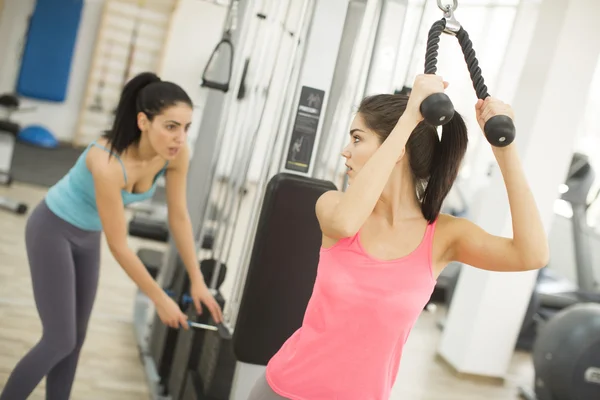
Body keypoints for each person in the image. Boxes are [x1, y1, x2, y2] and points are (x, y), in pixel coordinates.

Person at [247, 75, 549, 400]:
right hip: (284, 390)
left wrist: (504, 150)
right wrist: (408, 118)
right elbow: (348, 223)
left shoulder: (444, 235)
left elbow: (531, 255)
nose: (345, 152)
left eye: (357, 139)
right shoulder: (333, 204)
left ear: (397, 148)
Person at [0, 72, 223, 400]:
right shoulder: (107, 162)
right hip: (52, 229)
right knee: (59, 339)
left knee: (75, 339)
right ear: (143, 122)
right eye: (171, 126)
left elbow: (178, 216)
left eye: (186, 127)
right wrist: (159, 298)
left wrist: (196, 279)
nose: (180, 137)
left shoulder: (175, 155)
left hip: (87, 237)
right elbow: (119, 246)